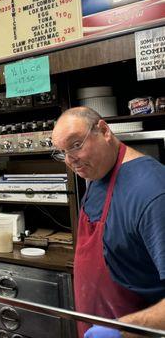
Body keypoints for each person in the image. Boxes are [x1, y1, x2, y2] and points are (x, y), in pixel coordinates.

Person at [52, 107, 165, 337]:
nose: (70, 160)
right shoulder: (96, 174)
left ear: (104, 131)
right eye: (62, 152)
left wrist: (121, 330)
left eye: (76, 145)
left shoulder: (152, 192)